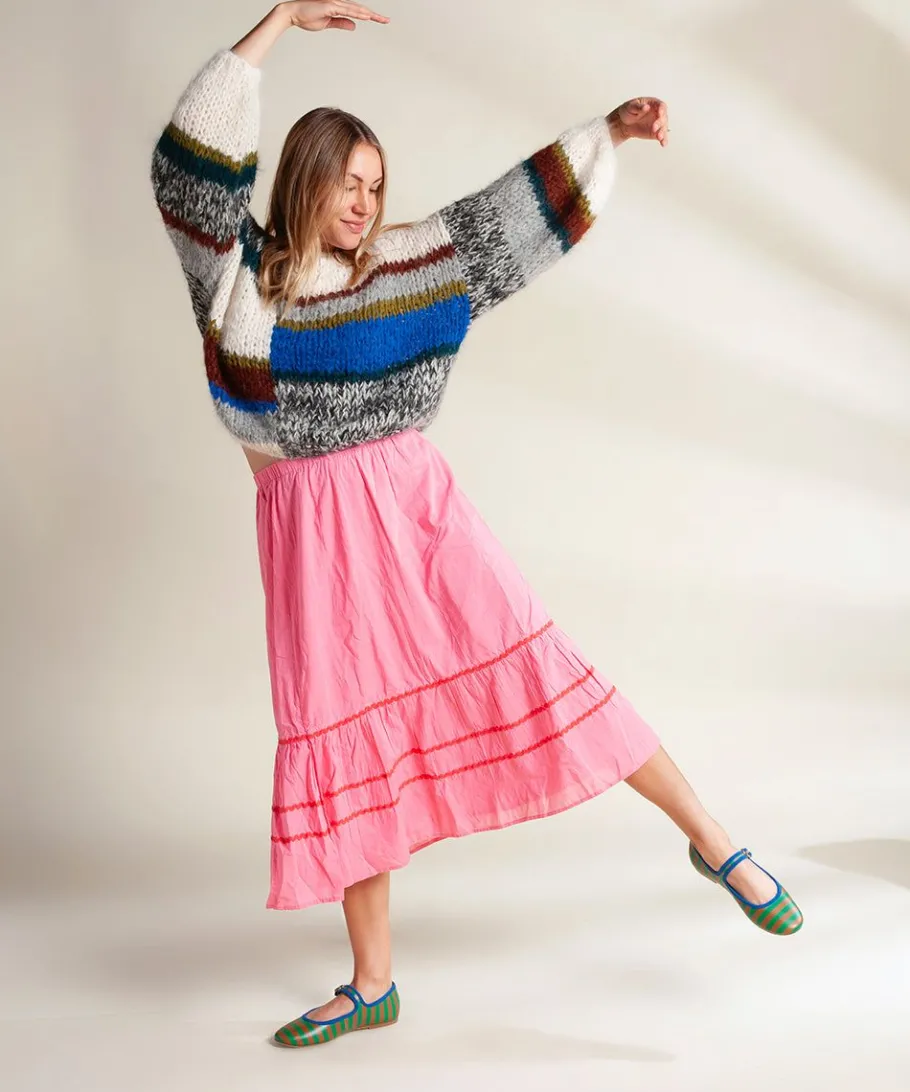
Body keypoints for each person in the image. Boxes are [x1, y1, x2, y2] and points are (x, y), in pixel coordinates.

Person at [151, 1, 803, 1050]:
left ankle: (714, 841)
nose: (364, 204)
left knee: (541, 666)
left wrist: (606, 134)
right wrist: (275, 20)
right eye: (346, 182)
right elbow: (187, 172)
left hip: (415, 524)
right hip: (312, 553)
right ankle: (372, 984)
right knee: (348, 742)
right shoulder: (238, 285)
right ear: (302, 179)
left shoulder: (407, 268)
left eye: (375, 186)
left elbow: (504, 223)